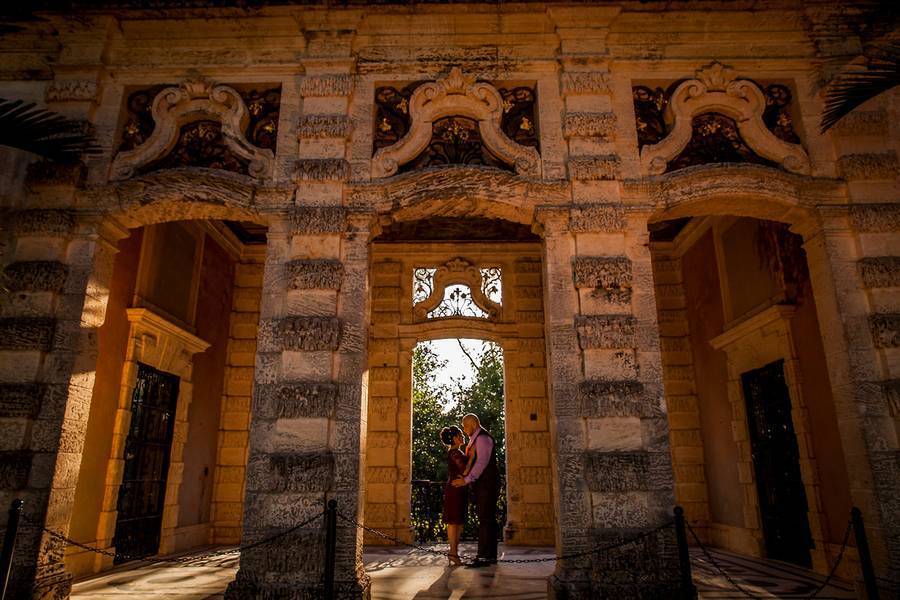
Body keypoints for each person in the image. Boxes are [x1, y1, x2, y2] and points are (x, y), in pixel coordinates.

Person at [451, 413, 499, 567]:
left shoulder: (483, 438)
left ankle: (484, 557)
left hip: (487, 484)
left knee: (486, 520)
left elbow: (481, 463)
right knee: (486, 519)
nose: (464, 430)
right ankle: (489, 556)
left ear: (472, 424)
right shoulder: (475, 439)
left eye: (465, 427)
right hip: (482, 485)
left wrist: (466, 480)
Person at [440, 425, 468, 566]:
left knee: (458, 522)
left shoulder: (457, 452)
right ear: (454, 438)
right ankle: (452, 552)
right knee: (453, 521)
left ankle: (454, 552)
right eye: (459, 435)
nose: (462, 436)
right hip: (455, 489)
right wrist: (472, 457)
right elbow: (464, 470)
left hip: (459, 488)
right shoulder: (454, 453)